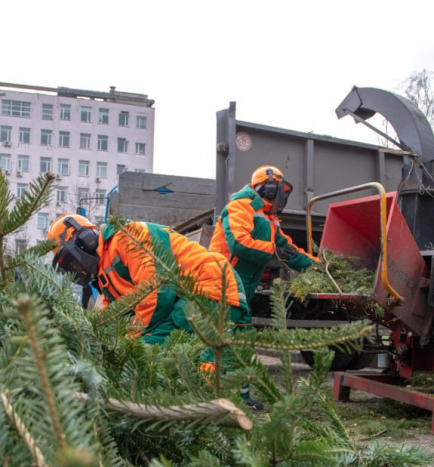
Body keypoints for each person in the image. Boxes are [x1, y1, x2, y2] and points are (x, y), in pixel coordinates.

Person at [48, 213, 264, 409]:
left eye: (72, 262)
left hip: (210, 286)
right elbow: (116, 311)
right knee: (225, 351)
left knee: (152, 346)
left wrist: (129, 341)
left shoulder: (127, 237)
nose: (76, 270)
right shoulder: (105, 270)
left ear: (84, 240)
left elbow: (157, 294)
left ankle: (201, 406)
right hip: (200, 292)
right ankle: (242, 402)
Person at [209, 165, 320, 324]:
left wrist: (318, 266)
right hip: (221, 284)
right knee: (219, 334)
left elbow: (290, 251)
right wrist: (274, 250)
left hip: (242, 289)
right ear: (269, 190)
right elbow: (239, 244)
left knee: (239, 333)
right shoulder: (240, 207)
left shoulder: (270, 220)